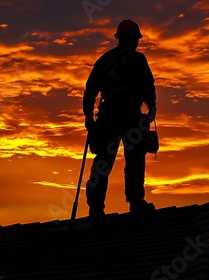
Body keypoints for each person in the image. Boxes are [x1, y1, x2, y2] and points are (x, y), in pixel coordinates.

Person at [82, 19, 157, 225]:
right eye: (136, 39)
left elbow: (90, 91)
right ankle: (135, 202)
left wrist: (89, 118)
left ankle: (96, 208)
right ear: (133, 39)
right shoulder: (137, 59)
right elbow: (147, 85)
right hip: (130, 116)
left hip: (107, 117)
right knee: (134, 159)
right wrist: (151, 107)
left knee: (103, 162)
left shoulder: (104, 60)